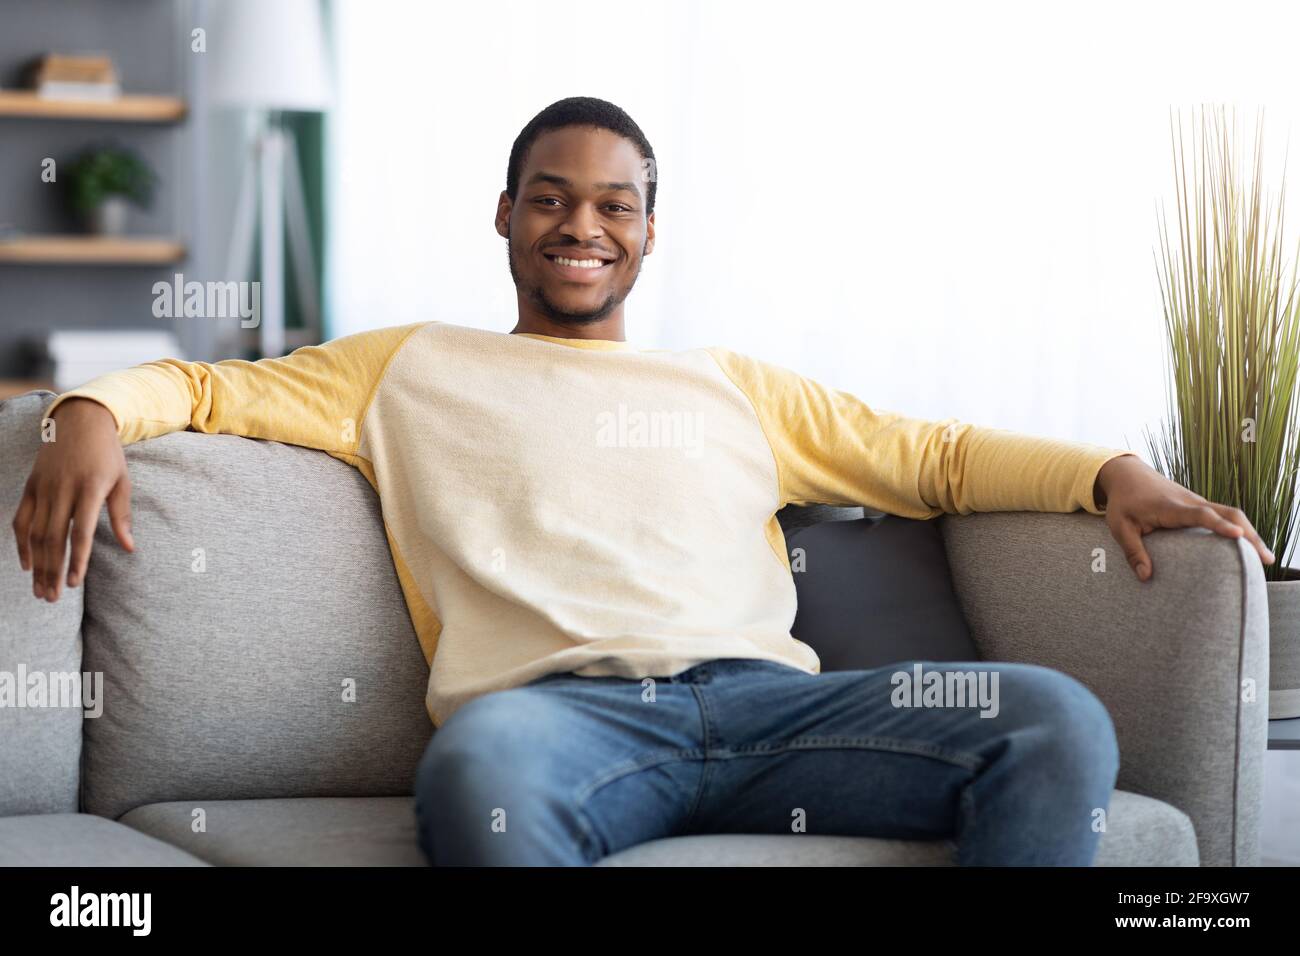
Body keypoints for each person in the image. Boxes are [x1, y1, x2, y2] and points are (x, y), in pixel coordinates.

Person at [13, 97, 1274, 866]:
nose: (582, 225)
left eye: (615, 205)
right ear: (504, 215)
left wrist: (1110, 470)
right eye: (551, 199)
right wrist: (84, 411)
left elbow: (931, 455)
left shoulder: (729, 385)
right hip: (560, 722)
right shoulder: (405, 368)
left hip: (775, 715)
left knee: (1056, 720)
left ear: (649, 231)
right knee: (477, 782)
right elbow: (211, 389)